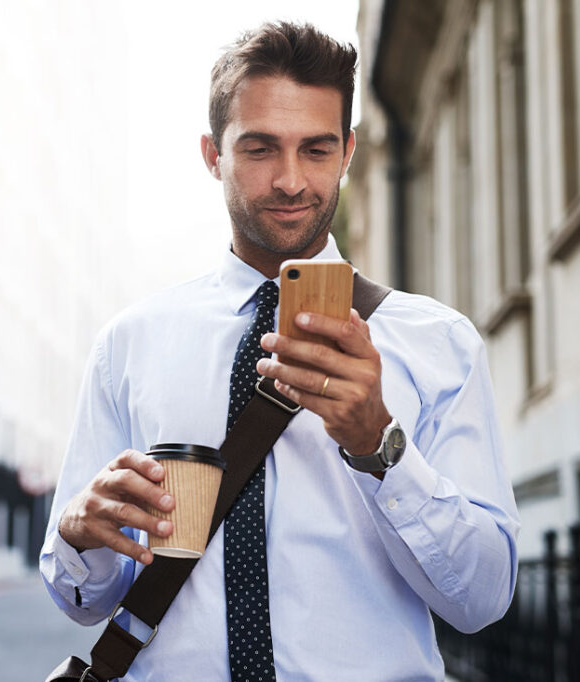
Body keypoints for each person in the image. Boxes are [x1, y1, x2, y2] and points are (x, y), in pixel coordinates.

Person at [41, 20, 519, 681]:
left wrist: (380, 445)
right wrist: (77, 535)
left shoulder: (438, 343)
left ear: (348, 151)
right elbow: (80, 600)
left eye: (316, 150)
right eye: (261, 149)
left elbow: (484, 601)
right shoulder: (130, 344)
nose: (291, 181)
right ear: (213, 154)